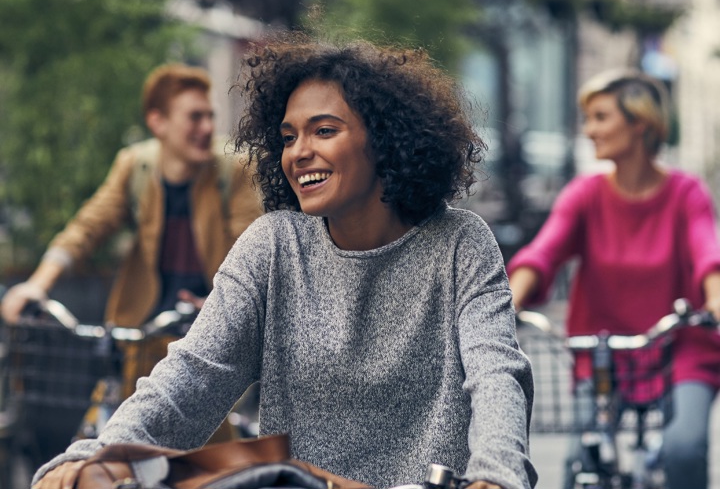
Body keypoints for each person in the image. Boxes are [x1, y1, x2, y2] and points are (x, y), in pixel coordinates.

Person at [31, 36, 538, 489]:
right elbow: (189, 378)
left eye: (323, 131)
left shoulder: (460, 243)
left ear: (384, 139)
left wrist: (496, 476)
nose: (298, 152)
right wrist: (93, 457)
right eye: (289, 136)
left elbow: (497, 374)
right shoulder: (274, 246)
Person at [1, 63, 263, 462]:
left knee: (207, 452)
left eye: (209, 115)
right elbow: (88, 227)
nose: (207, 126)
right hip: (141, 328)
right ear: (158, 122)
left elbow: (250, 248)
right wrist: (39, 283)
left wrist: (221, 303)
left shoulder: (232, 170)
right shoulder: (136, 166)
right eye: (194, 116)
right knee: (118, 442)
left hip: (205, 327)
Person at [507, 68, 720, 489]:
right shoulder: (584, 194)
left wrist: (715, 298)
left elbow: (706, 252)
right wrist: (511, 301)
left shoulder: (685, 193)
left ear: (639, 123)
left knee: (684, 448)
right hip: (603, 351)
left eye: (601, 117)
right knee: (579, 460)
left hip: (680, 346)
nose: (589, 131)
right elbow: (544, 251)